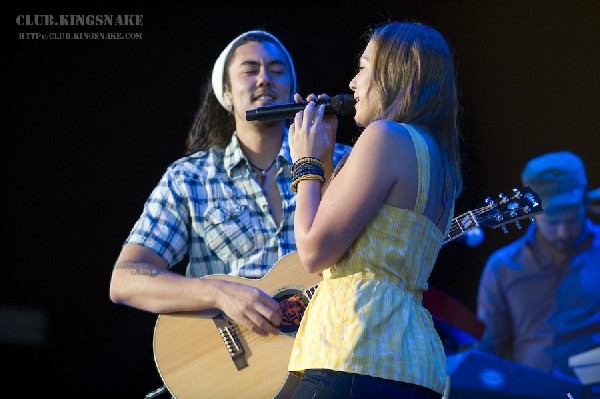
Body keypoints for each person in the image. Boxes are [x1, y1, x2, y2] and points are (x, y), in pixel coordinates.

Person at [109, 29, 351, 337]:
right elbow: (125, 279)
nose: (265, 78)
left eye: (277, 71)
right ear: (226, 93)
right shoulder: (189, 177)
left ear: (292, 88)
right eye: (251, 70)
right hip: (238, 367)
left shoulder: (343, 161)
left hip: (329, 349)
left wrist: (324, 161)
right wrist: (218, 292)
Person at [286, 21, 463, 398]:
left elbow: (314, 250)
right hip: (412, 365)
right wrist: (327, 160)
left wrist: (305, 162)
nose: (352, 82)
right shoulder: (442, 165)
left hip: (353, 347)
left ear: (396, 73)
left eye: (364, 67)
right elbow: (370, 242)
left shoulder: (385, 136)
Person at [476, 151, 600, 381]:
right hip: (530, 390)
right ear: (531, 211)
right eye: (553, 222)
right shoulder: (502, 266)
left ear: (585, 203)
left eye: (572, 219)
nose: (564, 233)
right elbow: (489, 348)